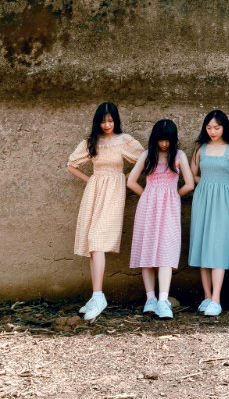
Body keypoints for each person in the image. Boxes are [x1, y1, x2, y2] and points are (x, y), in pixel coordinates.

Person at [66, 102, 143, 321]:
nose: (107, 124)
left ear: (116, 120)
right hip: (94, 191)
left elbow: (144, 159)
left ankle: (99, 296)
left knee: (98, 240)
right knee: (92, 243)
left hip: (113, 193)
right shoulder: (91, 142)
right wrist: (89, 179)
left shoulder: (124, 141)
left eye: (110, 120)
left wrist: (126, 178)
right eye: (103, 120)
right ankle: (96, 295)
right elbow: (71, 164)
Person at [127, 119, 194, 319]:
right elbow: (131, 181)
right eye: (161, 140)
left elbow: (189, 184)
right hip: (147, 208)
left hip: (169, 210)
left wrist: (173, 196)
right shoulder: (147, 155)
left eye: (168, 140)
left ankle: (163, 299)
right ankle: (150, 299)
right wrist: (148, 195)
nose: (164, 144)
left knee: (166, 251)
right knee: (147, 252)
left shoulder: (180, 156)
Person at [188, 110, 229, 316]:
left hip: (223, 199)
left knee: (218, 245)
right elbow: (192, 174)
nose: (212, 131)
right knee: (202, 244)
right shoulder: (199, 148)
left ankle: (217, 299)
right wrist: (204, 185)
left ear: (224, 128)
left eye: (217, 127)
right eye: (209, 127)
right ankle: (207, 296)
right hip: (202, 198)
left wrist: (219, 186)